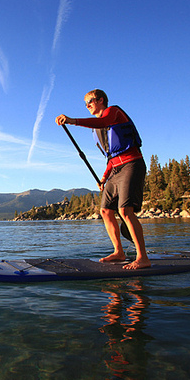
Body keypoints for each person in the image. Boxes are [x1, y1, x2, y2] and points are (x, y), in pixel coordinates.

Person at [56, 89, 150, 269]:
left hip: (132, 164)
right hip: (115, 169)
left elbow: (103, 121)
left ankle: (142, 257)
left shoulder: (113, 112)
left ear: (100, 100)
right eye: (85, 104)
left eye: (90, 102)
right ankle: (119, 252)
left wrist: (72, 120)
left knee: (125, 211)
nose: (87, 106)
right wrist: (104, 178)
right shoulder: (98, 128)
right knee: (106, 211)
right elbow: (111, 155)